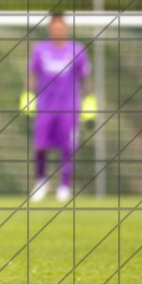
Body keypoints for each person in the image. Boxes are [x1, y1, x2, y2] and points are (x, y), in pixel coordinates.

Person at [27, 11, 91, 203]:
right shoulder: (39, 50)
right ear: (50, 28)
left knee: (67, 147)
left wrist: (90, 101)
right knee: (39, 145)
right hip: (45, 106)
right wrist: (27, 95)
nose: (57, 29)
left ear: (65, 28)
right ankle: (41, 181)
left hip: (69, 107)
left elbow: (85, 78)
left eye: (60, 26)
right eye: (54, 26)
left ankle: (64, 186)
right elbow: (32, 74)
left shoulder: (77, 50)